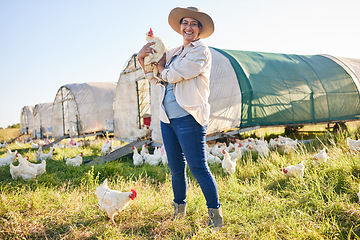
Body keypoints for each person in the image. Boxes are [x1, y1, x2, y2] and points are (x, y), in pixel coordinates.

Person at [137, 6, 223, 229]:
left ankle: (216, 217)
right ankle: (179, 211)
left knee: (199, 168)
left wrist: (162, 67)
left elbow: (174, 74)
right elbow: (157, 78)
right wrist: (142, 60)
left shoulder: (201, 51)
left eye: (194, 24)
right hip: (167, 119)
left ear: (200, 30)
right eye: (185, 23)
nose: (189, 27)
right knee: (176, 168)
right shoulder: (174, 52)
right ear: (180, 27)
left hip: (189, 117)